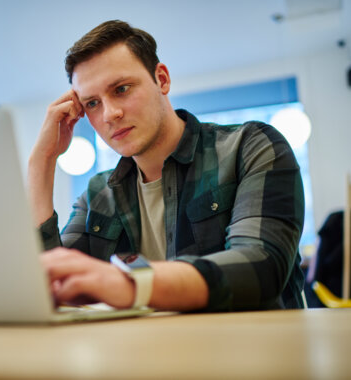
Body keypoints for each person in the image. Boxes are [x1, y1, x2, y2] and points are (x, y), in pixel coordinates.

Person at [28, 20, 305, 312]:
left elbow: (260, 266)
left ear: (161, 79)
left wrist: (131, 285)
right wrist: (41, 162)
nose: (110, 114)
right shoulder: (98, 194)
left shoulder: (250, 147)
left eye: (121, 89)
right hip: (151, 355)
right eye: (93, 104)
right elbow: (52, 286)